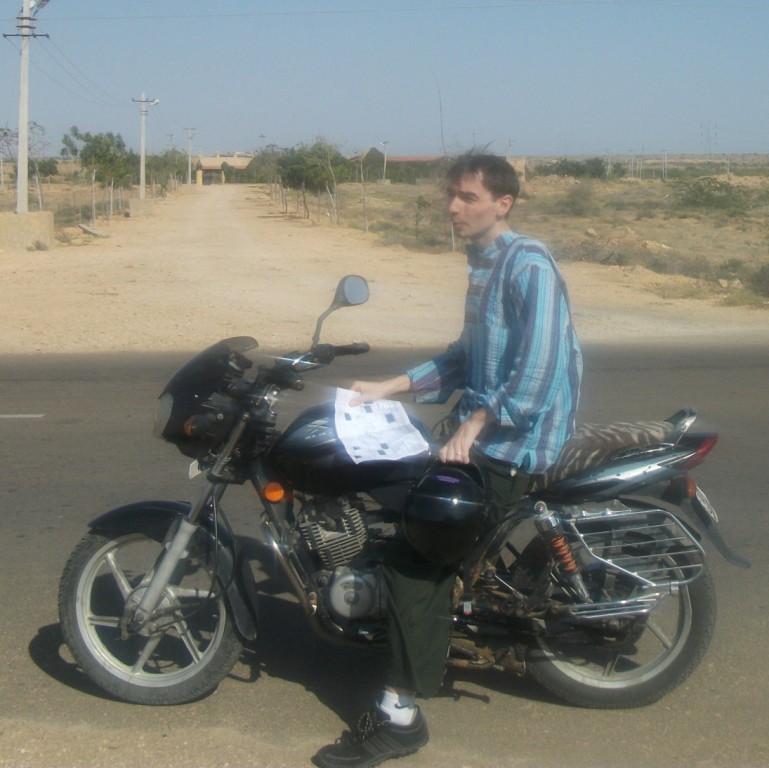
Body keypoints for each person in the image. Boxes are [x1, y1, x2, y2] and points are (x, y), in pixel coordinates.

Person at [312, 153, 582, 768]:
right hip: (487, 430)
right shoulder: (484, 265)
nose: (452, 207)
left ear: (502, 204)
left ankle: (400, 717)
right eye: (451, 195)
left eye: (467, 197)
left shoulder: (529, 265)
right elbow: (465, 358)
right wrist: (387, 387)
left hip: (514, 441)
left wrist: (475, 425)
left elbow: (538, 371)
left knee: (417, 557)